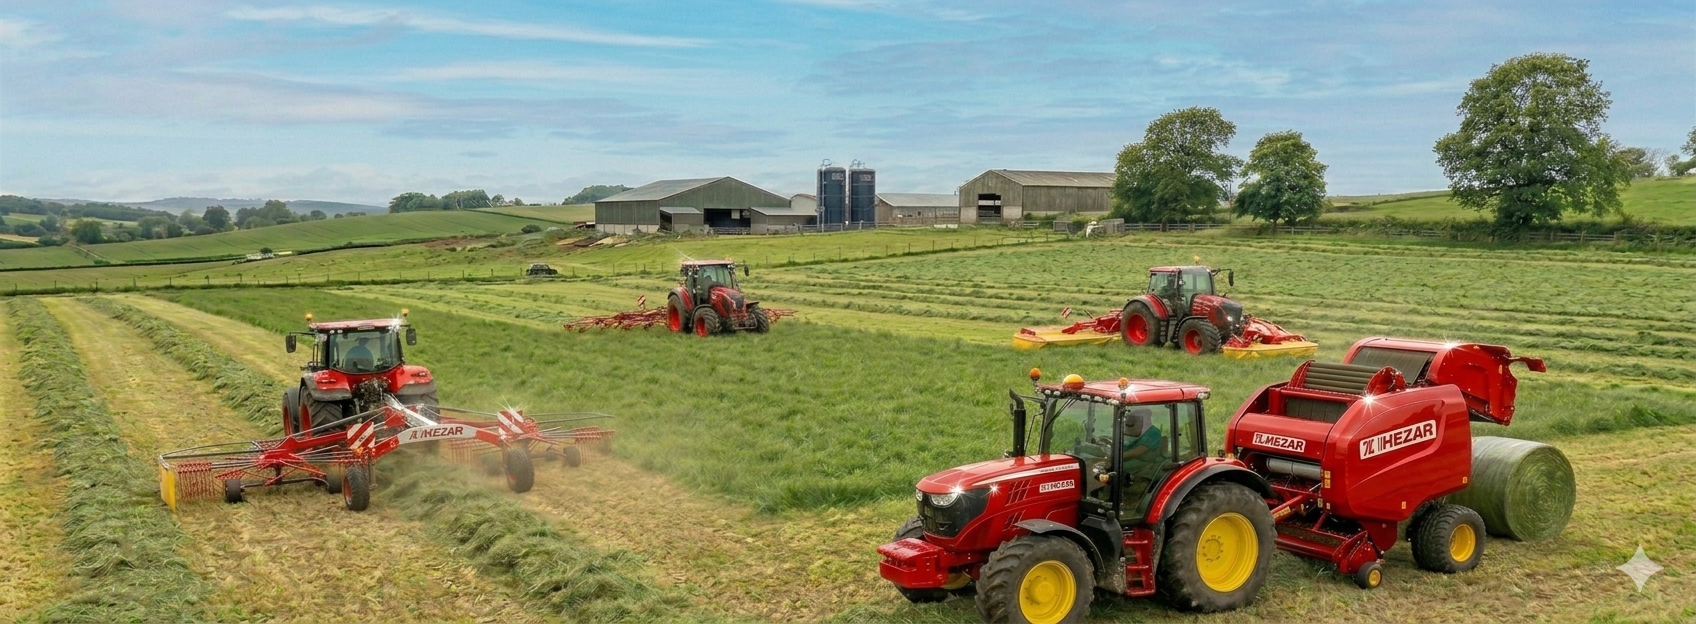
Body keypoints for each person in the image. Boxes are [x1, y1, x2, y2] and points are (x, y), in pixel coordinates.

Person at [1121, 407, 1166, 481]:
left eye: (1136, 419)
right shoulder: (1139, 430)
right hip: (1131, 458)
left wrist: (1117, 456)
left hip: (1143, 461)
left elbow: (1137, 452)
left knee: (1116, 467)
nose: (1132, 421)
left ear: (1145, 420)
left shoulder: (1153, 432)